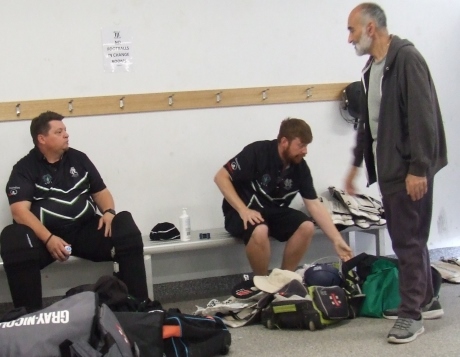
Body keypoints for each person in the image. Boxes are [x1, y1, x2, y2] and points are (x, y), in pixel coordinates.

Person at [345, 3, 447, 344]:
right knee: (411, 235)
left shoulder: (406, 60)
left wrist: (418, 169)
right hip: (391, 167)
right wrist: (356, 164)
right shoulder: (374, 67)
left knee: (407, 240)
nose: (349, 38)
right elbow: (368, 124)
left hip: (408, 170)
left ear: (371, 28)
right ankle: (427, 298)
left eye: (352, 30)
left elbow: (423, 117)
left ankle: (411, 315)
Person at [1, 111, 149, 312]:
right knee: (12, 236)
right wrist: (48, 238)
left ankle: (139, 310)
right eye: (59, 131)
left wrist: (109, 211)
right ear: (42, 139)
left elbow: (101, 192)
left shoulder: (79, 159)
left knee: (124, 224)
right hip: (47, 240)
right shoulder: (24, 168)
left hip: (83, 233)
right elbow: (19, 212)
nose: (66, 135)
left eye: (65, 130)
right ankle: (29, 320)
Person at [214, 117, 353, 277]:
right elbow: (220, 177)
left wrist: (337, 240)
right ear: (284, 141)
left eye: (306, 146)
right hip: (240, 214)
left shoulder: (300, 167)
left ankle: (284, 280)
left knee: (307, 226)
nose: (305, 151)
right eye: (301, 145)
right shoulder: (258, 151)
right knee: (260, 229)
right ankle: (263, 284)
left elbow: (314, 205)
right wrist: (243, 210)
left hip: (273, 213)